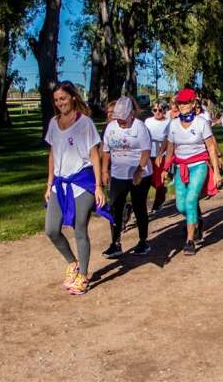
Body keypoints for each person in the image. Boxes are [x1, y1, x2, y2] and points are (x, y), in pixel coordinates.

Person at [44, 81, 109, 295]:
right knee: (51, 229)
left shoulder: (85, 123)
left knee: (80, 229)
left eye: (63, 98)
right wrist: (49, 183)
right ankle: (73, 263)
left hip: (82, 182)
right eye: (56, 100)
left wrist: (98, 186)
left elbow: (94, 154)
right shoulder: (54, 123)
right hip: (60, 184)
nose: (59, 103)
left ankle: (84, 276)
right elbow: (53, 154)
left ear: (73, 97)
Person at [162, 88, 221, 255]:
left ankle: (190, 240)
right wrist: (166, 168)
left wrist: (216, 172)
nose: (182, 105)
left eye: (186, 102)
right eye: (179, 102)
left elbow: (210, 147)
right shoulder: (173, 124)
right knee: (181, 206)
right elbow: (171, 148)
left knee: (190, 200)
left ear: (194, 103)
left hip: (199, 165)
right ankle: (197, 218)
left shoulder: (201, 123)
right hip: (180, 167)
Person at [101, 96, 153, 258]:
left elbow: (146, 151)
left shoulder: (140, 128)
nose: (120, 122)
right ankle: (115, 243)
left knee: (139, 207)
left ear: (132, 114)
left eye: (123, 119)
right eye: (118, 119)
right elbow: (106, 151)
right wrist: (104, 171)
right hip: (118, 174)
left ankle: (143, 241)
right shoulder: (111, 128)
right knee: (115, 208)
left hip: (140, 175)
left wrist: (139, 170)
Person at [145, 100, 171, 214]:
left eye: (160, 110)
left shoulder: (169, 122)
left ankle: (157, 203)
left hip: (162, 154)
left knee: (158, 178)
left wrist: (160, 153)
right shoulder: (148, 121)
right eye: (154, 110)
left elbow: (168, 140)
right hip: (148, 153)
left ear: (164, 111)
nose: (157, 112)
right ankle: (162, 191)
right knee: (148, 178)